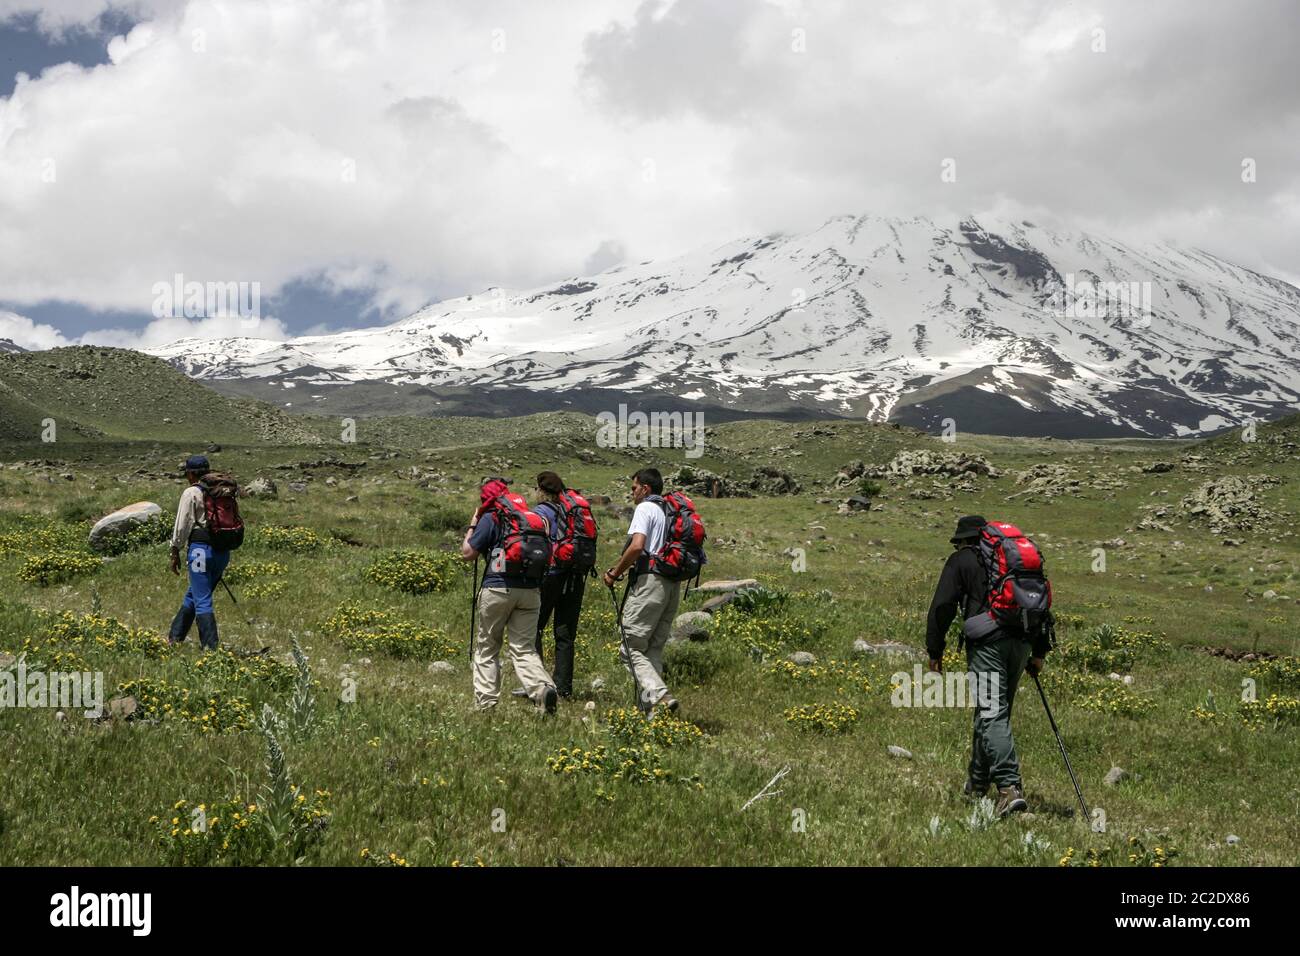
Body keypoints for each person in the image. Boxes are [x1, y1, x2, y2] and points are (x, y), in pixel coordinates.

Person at [926, 514, 1051, 817]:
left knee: (991, 713)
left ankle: (1009, 789)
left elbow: (942, 606)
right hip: (1021, 643)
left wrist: (935, 649)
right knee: (995, 713)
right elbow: (1040, 605)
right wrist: (1039, 652)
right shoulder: (1014, 562)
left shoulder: (961, 561)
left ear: (964, 540)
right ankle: (978, 782)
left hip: (988, 644)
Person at [462, 478, 558, 715]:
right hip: (531, 591)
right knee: (524, 648)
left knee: (488, 647)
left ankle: (486, 703)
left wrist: (473, 524)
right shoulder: (529, 517)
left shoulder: (492, 517)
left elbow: (468, 553)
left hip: (498, 588)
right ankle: (542, 689)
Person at [603, 467, 680, 717]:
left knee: (630, 647)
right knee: (651, 650)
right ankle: (651, 712)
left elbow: (637, 547)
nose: (632, 492)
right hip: (671, 585)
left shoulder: (646, 508)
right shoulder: (668, 512)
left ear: (645, 489)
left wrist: (615, 573)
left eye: (634, 487)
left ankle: (659, 694)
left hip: (650, 582)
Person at [528, 471, 588, 698]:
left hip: (550, 576)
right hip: (575, 575)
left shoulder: (540, 512)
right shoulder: (575, 511)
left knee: (532, 627)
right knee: (565, 634)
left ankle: (539, 684)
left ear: (542, 491)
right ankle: (563, 688)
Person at [167, 454, 231, 650]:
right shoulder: (221, 491)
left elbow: (182, 525)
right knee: (194, 593)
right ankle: (175, 638)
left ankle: (210, 650)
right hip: (222, 552)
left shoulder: (191, 493)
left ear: (192, 474)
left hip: (200, 552)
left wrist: (175, 549)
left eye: (187, 473)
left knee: (202, 600)